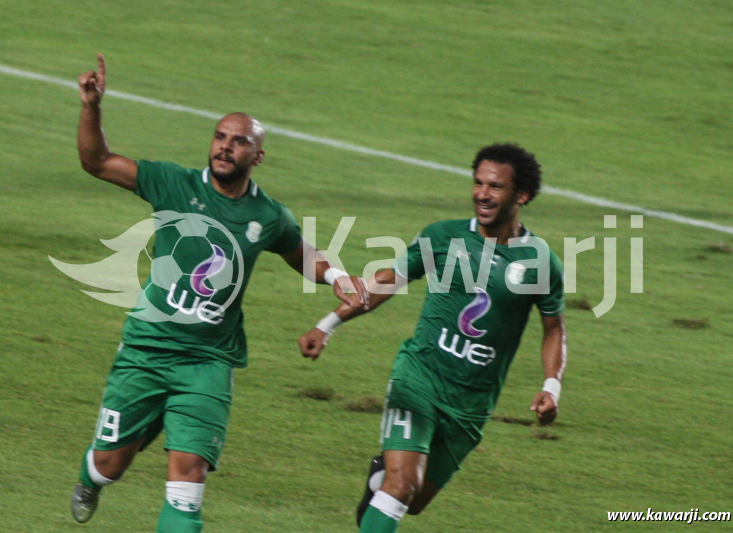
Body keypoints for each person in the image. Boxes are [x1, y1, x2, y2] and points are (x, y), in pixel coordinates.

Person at [70, 54, 368, 532]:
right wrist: (91, 106)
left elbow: (301, 252)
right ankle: (93, 477)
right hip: (147, 349)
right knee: (109, 465)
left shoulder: (268, 215)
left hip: (208, 362)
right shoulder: (173, 183)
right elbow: (97, 162)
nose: (226, 146)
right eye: (220, 137)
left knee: (188, 477)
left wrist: (336, 276)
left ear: (258, 156)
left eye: (240, 141)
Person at [298, 143, 567, 532]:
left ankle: (380, 479)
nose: (482, 194)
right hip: (419, 377)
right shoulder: (443, 237)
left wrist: (551, 386)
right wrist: (327, 324)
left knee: (413, 499)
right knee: (402, 485)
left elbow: (554, 327)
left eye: (495, 186)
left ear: (521, 195)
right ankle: (389, 482)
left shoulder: (541, 262)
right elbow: (386, 282)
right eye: (478, 183)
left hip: (472, 402)